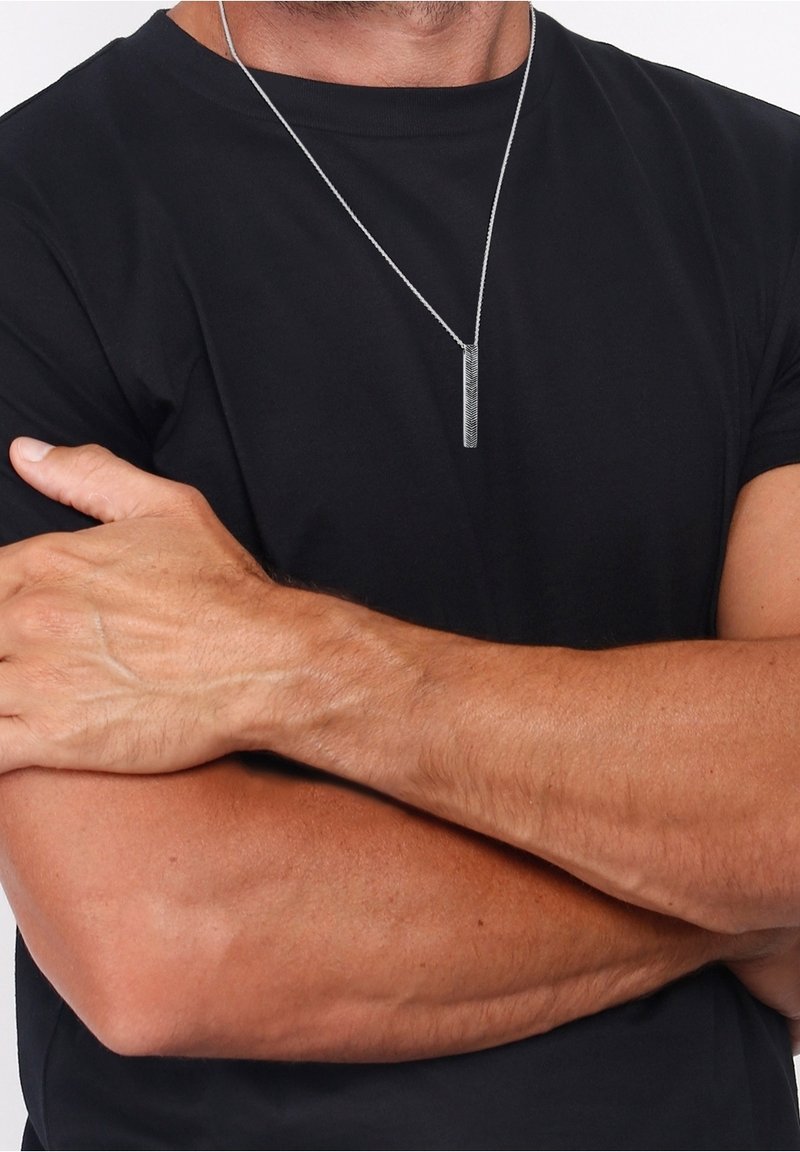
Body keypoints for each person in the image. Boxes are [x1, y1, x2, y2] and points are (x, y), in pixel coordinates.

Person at [0, 0, 798, 1147]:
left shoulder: (764, 190)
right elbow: (170, 943)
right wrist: (740, 892)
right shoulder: (34, 217)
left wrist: (297, 664)